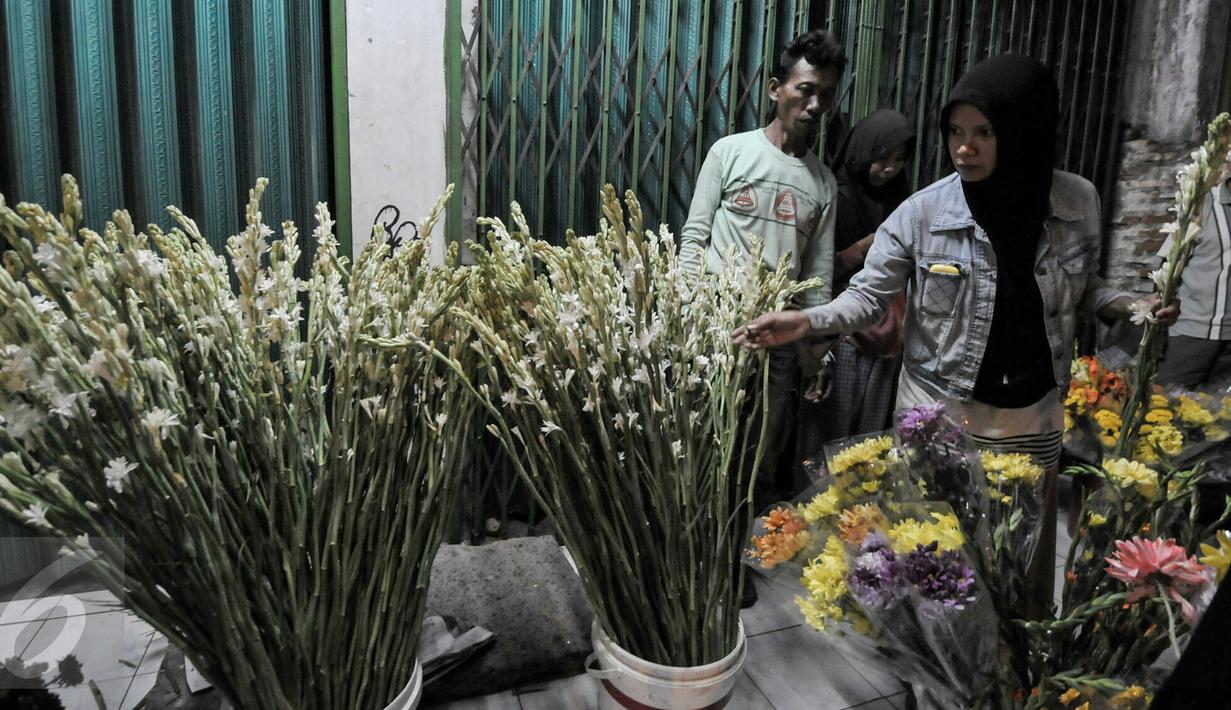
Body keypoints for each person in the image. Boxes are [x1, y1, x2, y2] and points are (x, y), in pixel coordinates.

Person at [732, 54, 1178, 615]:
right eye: (955, 132)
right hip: (941, 413)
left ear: (1024, 132)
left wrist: (1131, 304)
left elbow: (1082, 286)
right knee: (936, 561)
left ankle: (1011, 675)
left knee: (1017, 557)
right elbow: (868, 297)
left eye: (984, 133)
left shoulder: (1077, 201)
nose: (964, 148)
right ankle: (935, 683)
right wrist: (805, 320)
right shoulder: (923, 214)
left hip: (1032, 416)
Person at [680, 29, 845, 509]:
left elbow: (817, 279)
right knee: (702, 440)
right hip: (717, 329)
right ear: (776, 89)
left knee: (759, 451)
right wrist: (691, 316)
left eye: (826, 95)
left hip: (778, 339)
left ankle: (735, 556)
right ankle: (693, 553)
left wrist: (818, 356)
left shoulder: (824, 184)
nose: (815, 105)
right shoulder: (730, 152)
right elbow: (695, 237)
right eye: (805, 90)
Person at [797, 110, 914, 471]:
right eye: (882, 158)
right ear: (863, 153)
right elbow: (815, 270)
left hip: (886, 336)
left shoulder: (902, 202)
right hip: (843, 337)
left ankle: (857, 514)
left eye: (898, 160)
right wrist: (865, 248)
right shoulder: (838, 198)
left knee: (868, 439)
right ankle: (813, 513)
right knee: (828, 436)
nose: (889, 169)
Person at [1156, 160, 1231, 388]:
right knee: (1165, 412)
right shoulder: (1204, 201)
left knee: (1218, 420)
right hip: (1190, 334)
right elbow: (1166, 267)